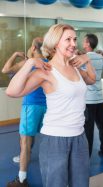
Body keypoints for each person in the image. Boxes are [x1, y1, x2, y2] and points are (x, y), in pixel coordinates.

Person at [5, 23, 96, 187]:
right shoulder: (46, 70)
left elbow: (91, 79)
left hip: (79, 138)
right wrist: (30, 62)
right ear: (55, 43)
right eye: (68, 39)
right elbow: (12, 91)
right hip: (55, 140)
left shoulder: (74, 66)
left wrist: (87, 60)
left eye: (74, 39)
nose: (73, 44)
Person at [2, 37, 47, 187]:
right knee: (40, 138)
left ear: (33, 49)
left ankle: (21, 180)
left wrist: (15, 54)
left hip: (31, 106)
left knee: (25, 141)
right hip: (48, 107)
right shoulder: (50, 63)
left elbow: (5, 70)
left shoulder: (28, 63)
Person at [82, 33, 103, 157]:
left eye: (84, 41)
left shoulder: (84, 59)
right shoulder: (99, 58)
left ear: (88, 43)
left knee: (88, 129)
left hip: (88, 100)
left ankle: (86, 155)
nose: (82, 43)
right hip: (99, 98)